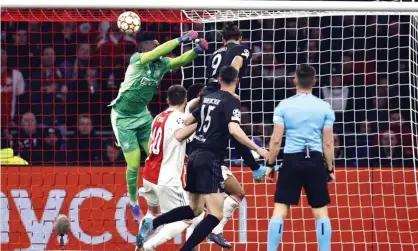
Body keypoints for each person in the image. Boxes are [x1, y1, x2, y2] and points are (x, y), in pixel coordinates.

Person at [138, 66, 268, 251]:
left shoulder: (208, 99)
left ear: (219, 80)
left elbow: (188, 121)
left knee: (195, 210)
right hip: (210, 159)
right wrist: (258, 149)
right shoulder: (231, 101)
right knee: (215, 214)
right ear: (237, 82)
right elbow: (234, 130)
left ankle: (154, 223)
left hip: (194, 158)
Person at [109, 31, 208, 223]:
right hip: (122, 117)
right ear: (144, 46)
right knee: (134, 163)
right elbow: (159, 52)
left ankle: (154, 195)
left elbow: (179, 61)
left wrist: (197, 50)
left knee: (156, 155)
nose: (157, 46)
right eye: (154, 44)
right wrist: (180, 39)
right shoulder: (137, 59)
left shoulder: (161, 64)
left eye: (158, 43)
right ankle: (133, 201)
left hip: (142, 115)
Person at [187, 22, 267, 248]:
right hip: (221, 93)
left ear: (223, 39)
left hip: (208, 94)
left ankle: (255, 168)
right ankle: (256, 167)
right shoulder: (242, 49)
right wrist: (231, 84)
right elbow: (236, 63)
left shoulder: (217, 51)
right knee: (233, 129)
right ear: (240, 37)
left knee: (215, 128)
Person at [265, 64, 336, 251]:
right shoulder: (324, 107)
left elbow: (276, 139)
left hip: (291, 160)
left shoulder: (284, 106)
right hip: (314, 160)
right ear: (314, 81)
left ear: (294, 80)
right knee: (321, 212)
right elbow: (328, 143)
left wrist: (270, 164)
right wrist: (329, 168)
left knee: (280, 210)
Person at [136, 85, 203, 251]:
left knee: (153, 212)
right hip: (167, 178)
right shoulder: (180, 119)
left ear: (167, 100)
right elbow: (180, 134)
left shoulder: (158, 117)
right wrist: (200, 122)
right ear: (185, 100)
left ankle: (138, 248)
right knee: (188, 217)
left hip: (149, 174)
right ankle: (148, 246)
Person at [186, 83, 247, 248]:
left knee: (195, 212)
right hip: (206, 160)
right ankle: (215, 230)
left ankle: (214, 231)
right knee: (197, 213)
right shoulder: (203, 112)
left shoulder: (193, 112)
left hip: (193, 163)